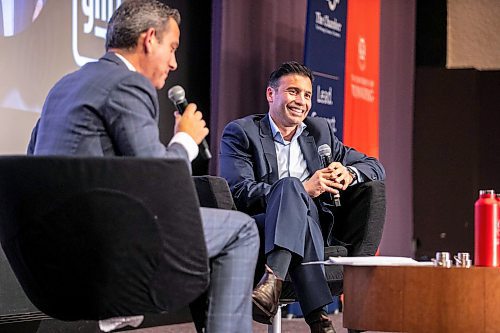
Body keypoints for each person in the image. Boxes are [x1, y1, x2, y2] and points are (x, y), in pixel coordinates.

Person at [27, 1, 259, 332]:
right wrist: (186, 141)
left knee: (205, 236)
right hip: (106, 245)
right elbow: (157, 184)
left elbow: (35, 158)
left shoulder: (64, 86)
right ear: (150, 39)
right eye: (172, 48)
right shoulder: (129, 83)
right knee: (240, 230)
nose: (175, 63)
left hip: (52, 249)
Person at [220, 61, 386, 333]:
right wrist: (303, 189)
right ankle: (318, 318)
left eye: (307, 95)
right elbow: (239, 190)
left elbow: (375, 166)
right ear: (271, 95)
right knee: (289, 187)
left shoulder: (319, 132)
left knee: (299, 205)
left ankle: (272, 282)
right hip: (263, 227)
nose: (302, 101)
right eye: (293, 92)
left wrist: (350, 172)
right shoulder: (242, 133)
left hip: (313, 227)